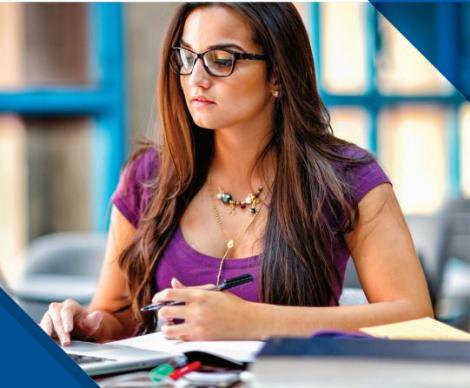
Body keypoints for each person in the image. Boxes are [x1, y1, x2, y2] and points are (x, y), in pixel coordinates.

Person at [40, 2, 433, 346]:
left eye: (222, 59)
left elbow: (414, 319)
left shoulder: (346, 178)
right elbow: (118, 316)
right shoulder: (147, 178)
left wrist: (254, 322)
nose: (196, 78)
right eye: (187, 57)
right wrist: (89, 325)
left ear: (277, 75)